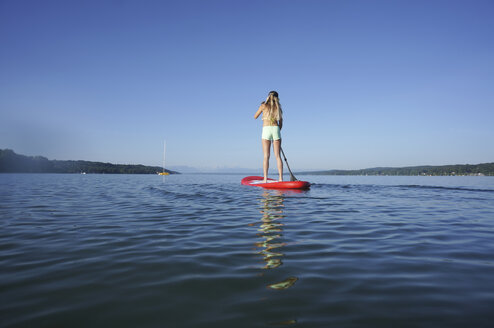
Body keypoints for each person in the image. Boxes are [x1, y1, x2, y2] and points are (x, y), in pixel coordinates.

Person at [254, 91, 283, 182]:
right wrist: (277, 132)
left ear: (268, 97)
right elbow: (281, 124)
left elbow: (255, 116)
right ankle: (280, 178)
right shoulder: (278, 108)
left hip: (266, 129)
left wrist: (262, 107)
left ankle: (265, 179)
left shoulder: (263, 106)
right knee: (278, 156)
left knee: (266, 156)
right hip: (276, 129)